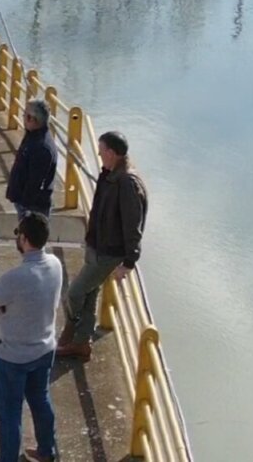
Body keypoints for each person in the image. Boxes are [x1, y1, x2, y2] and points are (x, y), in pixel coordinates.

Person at [0, 211, 62, 462]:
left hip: (12, 356)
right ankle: (47, 452)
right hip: (44, 349)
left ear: (24, 239)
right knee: (41, 400)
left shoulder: (16, 277)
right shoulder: (55, 265)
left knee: (10, 414)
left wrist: (5, 305)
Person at [58, 130, 148, 361]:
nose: (98, 155)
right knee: (88, 295)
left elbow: (132, 226)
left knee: (75, 293)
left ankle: (73, 331)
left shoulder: (127, 183)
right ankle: (81, 344)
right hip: (97, 245)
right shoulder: (111, 174)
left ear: (111, 152)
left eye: (101, 151)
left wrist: (129, 262)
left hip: (108, 252)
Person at [6, 99, 59, 218]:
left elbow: (35, 183)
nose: (23, 117)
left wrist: (26, 207)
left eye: (25, 115)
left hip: (33, 208)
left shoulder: (42, 147)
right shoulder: (32, 136)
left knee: (30, 236)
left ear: (32, 119)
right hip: (25, 203)